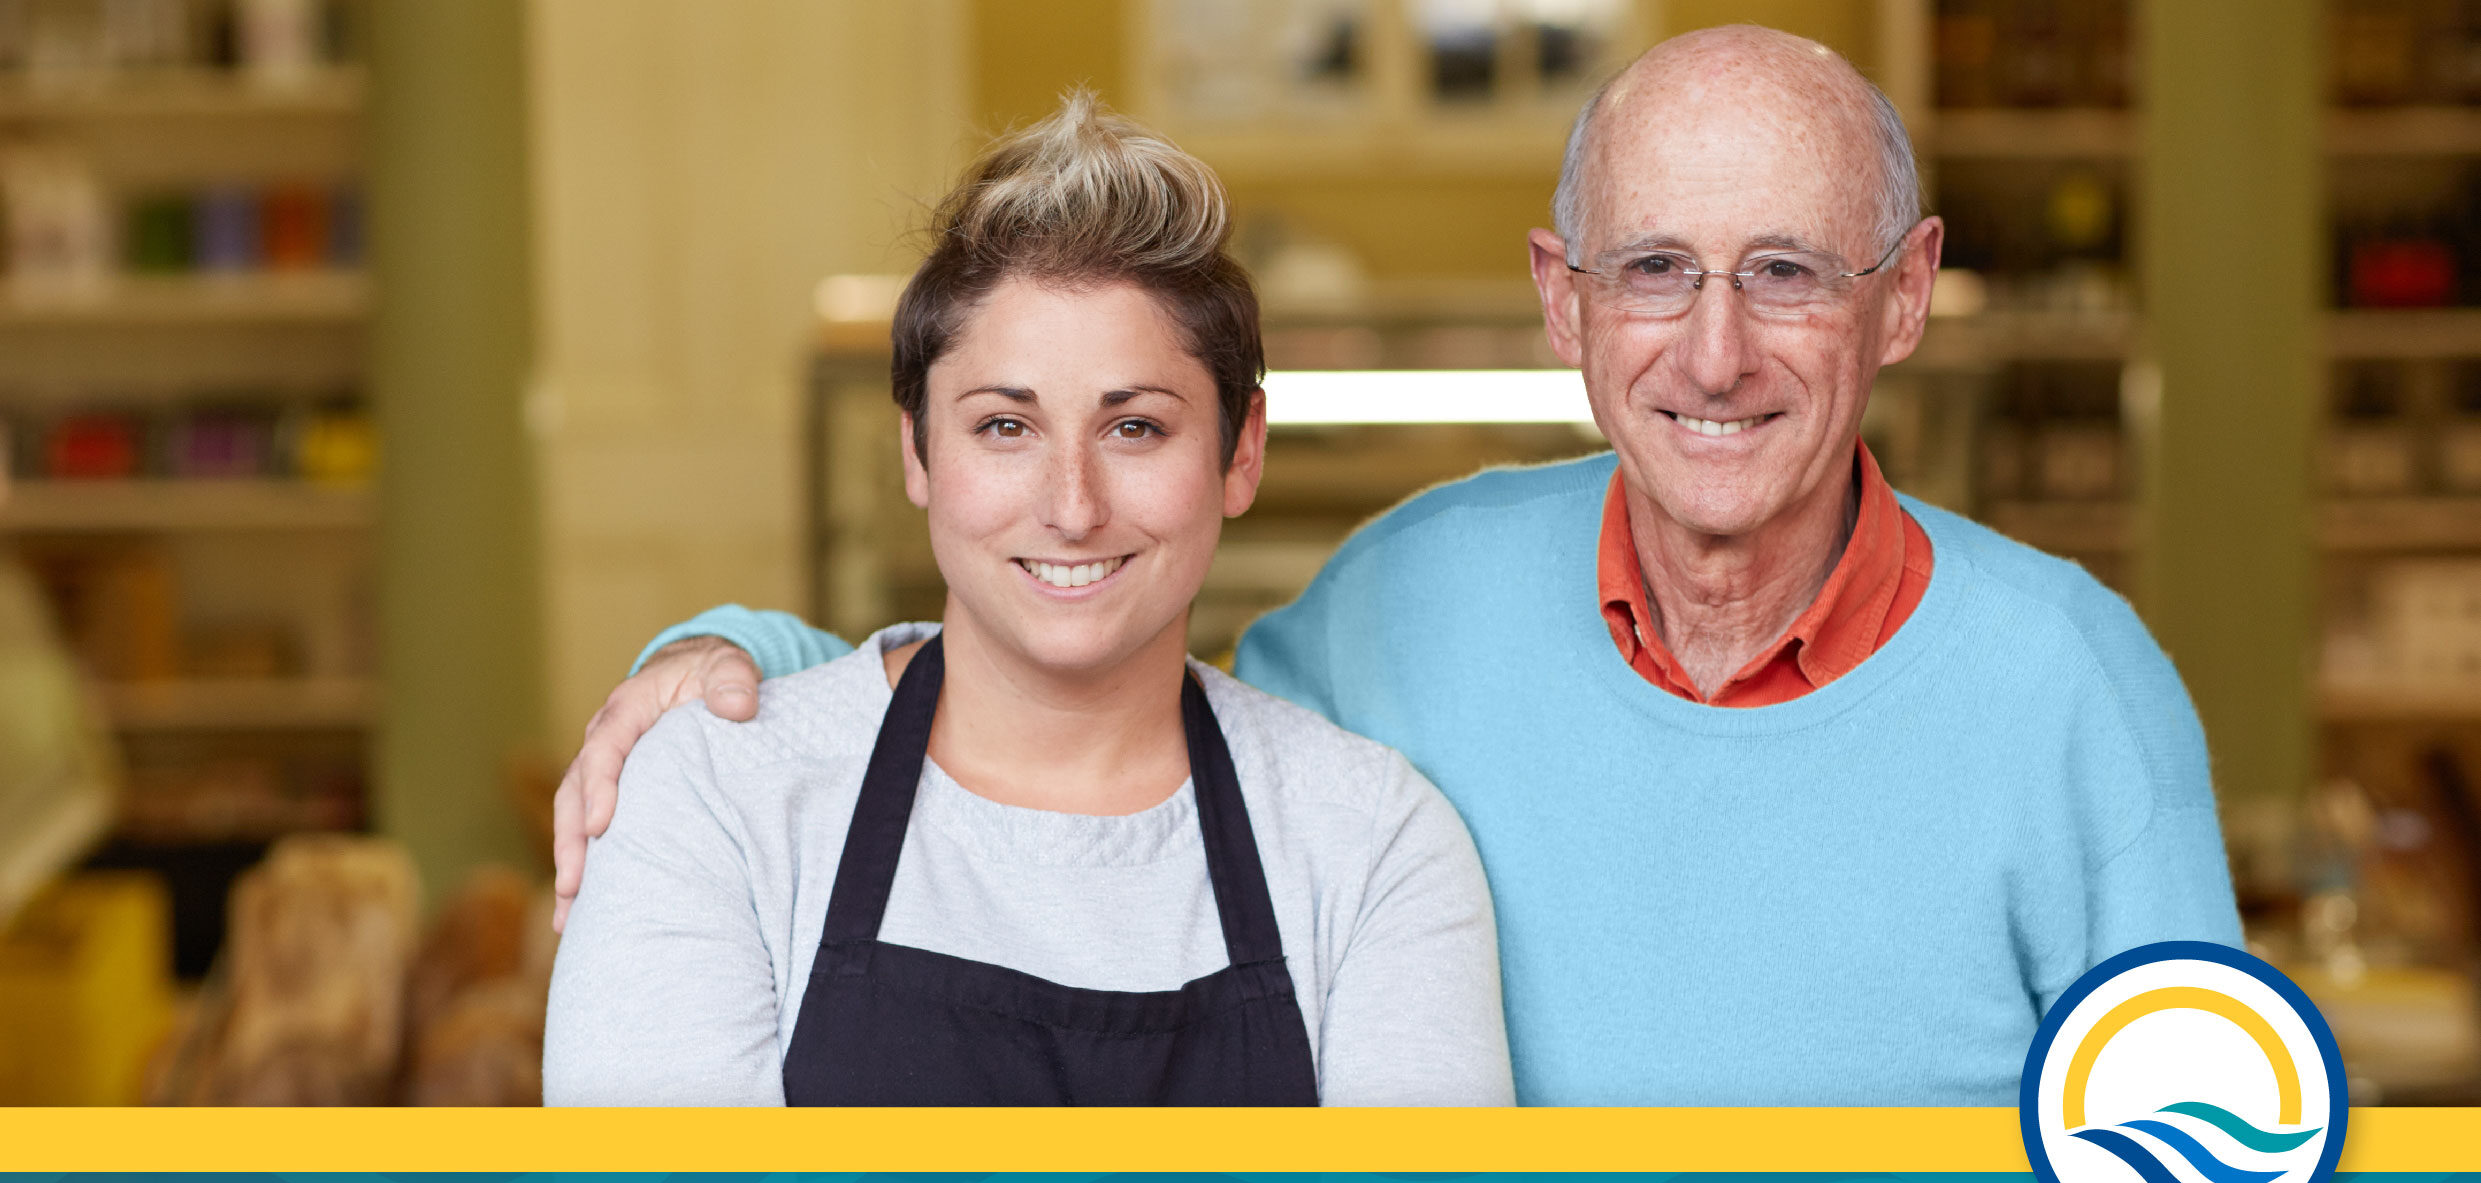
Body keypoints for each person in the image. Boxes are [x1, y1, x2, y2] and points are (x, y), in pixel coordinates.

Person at [554, 27, 2240, 1106]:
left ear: (1904, 294)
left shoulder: (2074, 687)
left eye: (1787, 272)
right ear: (1564, 300)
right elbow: (1079, 677)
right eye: (1653, 269)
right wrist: (727, 662)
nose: (1714, 353)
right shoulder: (1414, 597)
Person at [541, 95, 1514, 1107]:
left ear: (1243, 451)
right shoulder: (715, 803)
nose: (1072, 506)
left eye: (1135, 428)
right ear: (917, 449)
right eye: (1006, 427)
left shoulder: (1372, 848)